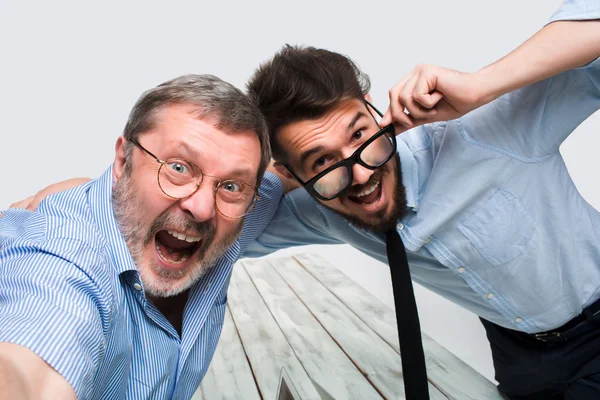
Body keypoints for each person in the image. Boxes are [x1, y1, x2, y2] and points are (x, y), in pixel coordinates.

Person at [10, 1, 600, 398]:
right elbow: (200, 213)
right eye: (321, 165)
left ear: (376, 114)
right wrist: (94, 192)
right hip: (522, 353)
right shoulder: (292, 209)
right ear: (286, 174)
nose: (360, 176)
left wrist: (483, 84)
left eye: (361, 139)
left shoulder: (485, 129)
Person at [0, 75, 283, 399]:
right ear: (123, 160)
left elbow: (295, 168)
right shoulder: (62, 250)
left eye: (231, 185)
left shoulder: (239, 211)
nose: (203, 208)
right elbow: (33, 363)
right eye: (179, 167)